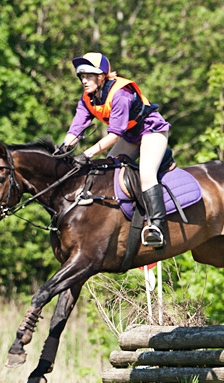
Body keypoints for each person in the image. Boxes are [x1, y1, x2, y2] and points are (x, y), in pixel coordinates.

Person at [60, 52, 171, 248]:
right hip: (131, 136)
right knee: (108, 173)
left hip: (152, 131)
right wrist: (62, 149)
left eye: (88, 76)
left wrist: (88, 153)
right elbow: (76, 128)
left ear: (101, 76)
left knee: (146, 174)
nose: (84, 81)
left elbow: (114, 134)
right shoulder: (88, 98)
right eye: (82, 77)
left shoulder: (120, 93)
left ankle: (157, 227)